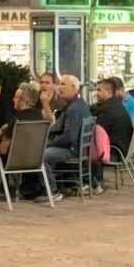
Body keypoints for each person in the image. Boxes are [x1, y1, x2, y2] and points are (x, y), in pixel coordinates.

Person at [38, 74, 90, 202]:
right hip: (78, 148)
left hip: (72, 150)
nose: (59, 87)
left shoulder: (74, 109)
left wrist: (50, 144)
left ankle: (53, 192)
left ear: (74, 88)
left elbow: (68, 138)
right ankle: (66, 185)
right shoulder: (79, 104)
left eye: (63, 84)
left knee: (40, 156)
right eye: (59, 84)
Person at [93, 78, 133, 187]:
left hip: (114, 153)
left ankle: (93, 182)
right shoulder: (114, 104)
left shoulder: (108, 109)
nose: (97, 93)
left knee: (84, 148)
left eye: (99, 90)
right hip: (121, 149)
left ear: (108, 91)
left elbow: (96, 130)